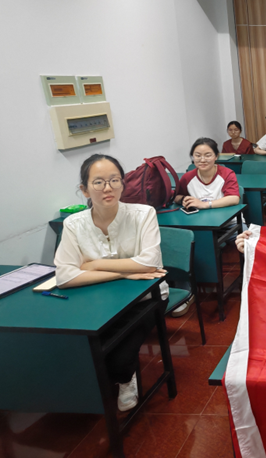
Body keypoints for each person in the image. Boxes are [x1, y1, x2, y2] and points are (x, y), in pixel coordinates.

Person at [54, 154, 168, 412]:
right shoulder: (73, 224)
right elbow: (65, 277)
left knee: (117, 359)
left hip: (145, 298)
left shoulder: (143, 214)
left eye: (114, 180)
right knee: (79, 350)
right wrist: (124, 273)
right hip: (97, 300)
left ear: (123, 184)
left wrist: (94, 265)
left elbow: (149, 263)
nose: (108, 188)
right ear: (84, 189)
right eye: (98, 182)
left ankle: (126, 378)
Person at [175, 138, 240, 210]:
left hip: (225, 216)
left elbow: (234, 198)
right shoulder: (187, 177)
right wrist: (183, 199)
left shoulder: (227, 174)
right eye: (198, 156)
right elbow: (176, 196)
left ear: (216, 156)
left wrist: (204, 204)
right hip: (198, 216)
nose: (202, 160)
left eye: (208, 155)